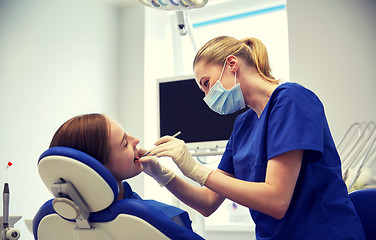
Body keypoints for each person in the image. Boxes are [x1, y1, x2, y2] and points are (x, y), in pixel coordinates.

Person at [140, 36, 366, 239]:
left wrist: (196, 169)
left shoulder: (291, 100)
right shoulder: (242, 125)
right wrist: (163, 175)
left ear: (231, 64)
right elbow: (208, 202)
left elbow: (276, 200)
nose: (207, 97)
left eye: (207, 84)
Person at [49, 113, 195, 231]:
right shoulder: (165, 219)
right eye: (124, 143)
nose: (136, 140)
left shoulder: (49, 221)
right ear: (97, 169)